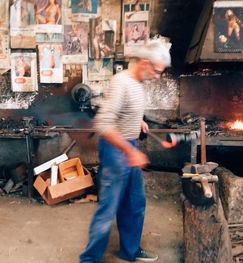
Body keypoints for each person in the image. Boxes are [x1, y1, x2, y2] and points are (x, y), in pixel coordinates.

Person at [79, 37, 172, 263]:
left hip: (130, 145)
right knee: (108, 208)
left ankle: (130, 251)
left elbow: (128, 109)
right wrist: (130, 152)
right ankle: (89, 259)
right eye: (157, 71)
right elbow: (104, 124)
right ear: (144, 63)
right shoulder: (121, 82)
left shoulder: (139, 83)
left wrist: (138, 121)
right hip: (115, 150)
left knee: (135, 203)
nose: (158, 76)